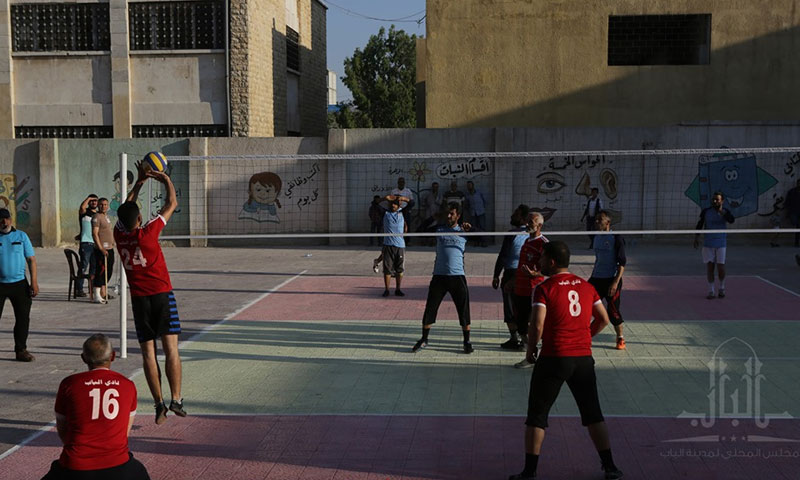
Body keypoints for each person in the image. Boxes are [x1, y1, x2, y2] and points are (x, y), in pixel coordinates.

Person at [508, 241, 623, 480]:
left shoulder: (543, 288)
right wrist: (583, 337)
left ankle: (529, 472)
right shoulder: (586, 286)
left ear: (551, 261)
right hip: (582, 358)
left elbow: (537, 324)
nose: (538, 263)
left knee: (537, 416)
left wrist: (530, 350)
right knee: (593, 414)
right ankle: (610, 467)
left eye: (541, 259)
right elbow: (602, 319)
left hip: (554, 357)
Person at [114, 159, 186, 424]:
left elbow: (126, 209)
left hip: (139, 300)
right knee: (172, 349)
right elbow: (171, 205)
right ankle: (176, 399)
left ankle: (158, 405)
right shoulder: (148, 234)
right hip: (161, 296)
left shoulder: (119, 235)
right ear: (141, 219)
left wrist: (139, 183)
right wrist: (164, 179)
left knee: (148, 353)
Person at [42, 334, 150, 480]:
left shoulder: (69, 384)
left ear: (83, 358)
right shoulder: (127, 385)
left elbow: (62, 428)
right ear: (112, 356)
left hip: (75, 466)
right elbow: (125, 432)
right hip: (118, 465)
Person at [412, 202, 474, 354]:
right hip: (439, 276)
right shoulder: (439, 229)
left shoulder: (463, 231)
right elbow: (420, 230)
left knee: (463, 309)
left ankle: (467, 341)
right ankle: (424, 339)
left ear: (458, 215)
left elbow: (484, 236)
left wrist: (472, 229)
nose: (448, 216)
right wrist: (432, 218)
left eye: (452, 213)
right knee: (430, 308)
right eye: (447, 213)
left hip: (457, 276)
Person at [0, 208, 38, 362]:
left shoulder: (21, 236)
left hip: (19, 285)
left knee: (23, 318)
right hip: (0, 285)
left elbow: (31, 260)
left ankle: (21, 350)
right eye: (1, 219)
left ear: (11, 219)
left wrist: (34, 282)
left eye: (6, 219)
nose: (4, 222)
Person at [512, 212, 548, 369]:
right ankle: (531, 351)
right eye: (526, 221)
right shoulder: (527, 241)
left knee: (534, 325)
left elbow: (550, 269)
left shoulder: (544, 244)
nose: (527, 224)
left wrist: (536, 274)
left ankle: (533, 357)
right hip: (520, 288)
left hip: (534, 291)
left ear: (539, 225)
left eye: (531, 222)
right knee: (521, 326)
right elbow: (521, 265)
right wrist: (513, 281)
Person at [492, 204, 530, 350]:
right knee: (523, 307)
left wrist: (496, 275)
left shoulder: (512, 233)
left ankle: (520, 340)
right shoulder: (532, 234)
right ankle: (521, 339)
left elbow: (503, 256)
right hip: (527, 275)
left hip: (512, 273)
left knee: (510, 308)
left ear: (522, 218)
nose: (512, 216)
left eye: (515, 213)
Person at [589, 211, 627, 350]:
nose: (597, 222)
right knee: (584, 303)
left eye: (600, 220)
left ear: (608, 223)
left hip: (612, 279)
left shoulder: (616, 237)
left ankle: (620, 338)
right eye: (596, 219)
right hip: (596, 278)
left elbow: (622, 263)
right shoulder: (596, 237)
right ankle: (584, 334)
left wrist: (615, 282)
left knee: (613, 311)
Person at [693, 191, 735, 299]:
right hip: (708, 243)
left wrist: (722, 212)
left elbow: (732, 220)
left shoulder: (725, 212)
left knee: (721, 267)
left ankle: (721, 288)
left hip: (721, 243)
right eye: (714, 199)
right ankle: (711, 290)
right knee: (710, 267)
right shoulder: (706, 211)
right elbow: (700, 224)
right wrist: (696, 237)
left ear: (722, 201)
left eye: (717, 199)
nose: (715, 201)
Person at [379, 195, 410, 297]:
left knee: (399, 269)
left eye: (395, 204)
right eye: (391, 203)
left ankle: (398, 289)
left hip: (400, 246)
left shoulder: (402, 213)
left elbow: (412, 203)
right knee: (387, 269)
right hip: (388, 245)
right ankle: (387, 290)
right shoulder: (385, 213)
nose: (393, 205)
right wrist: (386, 198)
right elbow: (375, 204)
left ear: (398, 206)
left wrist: (403, 198)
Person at [91, 198, 115, 304]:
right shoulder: (96, 217)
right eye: (101, 205)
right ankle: (96, 295)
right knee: (100, 271)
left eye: (105, 204)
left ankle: (103, 293)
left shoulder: (106, 217)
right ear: (98, 206)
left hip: (110, 248)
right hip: (101, 250)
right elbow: (95, 234)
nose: (103, 206)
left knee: (108, 271)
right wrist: (101, 248)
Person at [76, 194, 98, 297]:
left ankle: (92, 289)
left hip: (95, 244)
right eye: (92, 201)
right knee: (83, 267)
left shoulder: (97, 215)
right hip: (86, 243)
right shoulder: (84, 213)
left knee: (94, 268)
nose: (94, 203)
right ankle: (79, 289)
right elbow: (82, 207)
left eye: (95, 201)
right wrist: (89, 198)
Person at [465, 180, 488, 247]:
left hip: (480, 212)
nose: (469, 186)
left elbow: (484, 201)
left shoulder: (479, 193)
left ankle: (483, 242)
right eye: (468, 185)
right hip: (473, 213)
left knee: (482, 227)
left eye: (470, 185)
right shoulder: (467, 195)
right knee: (474, 228)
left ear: (473, 185)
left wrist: (482, 208)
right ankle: (476, 241)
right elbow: (467, 204)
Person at [786, 179, 800, 248]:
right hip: (794, 212)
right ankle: (796, 242)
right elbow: (787, 202)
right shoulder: (792, 192)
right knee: (797, 227)